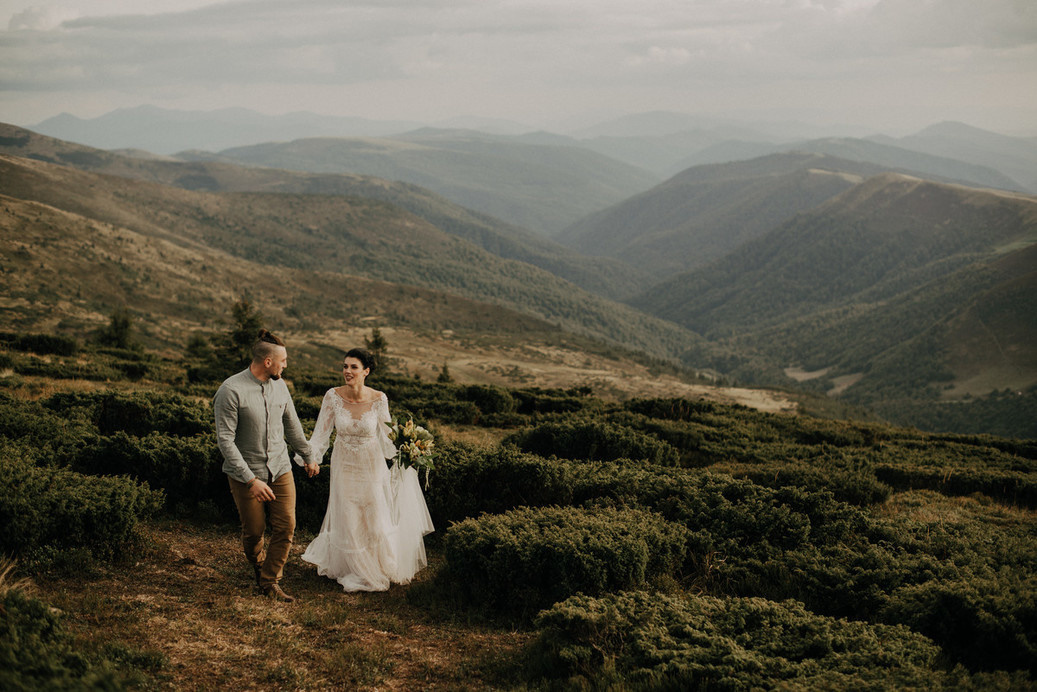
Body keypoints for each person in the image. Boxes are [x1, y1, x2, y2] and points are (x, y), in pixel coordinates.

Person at [300, 348, 434, 592]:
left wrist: (406, 453)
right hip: (344, 466)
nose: (347, 372)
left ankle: (378, 564)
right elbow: (321, 433)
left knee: (373, 515)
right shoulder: (332, 397)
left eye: (353, 367)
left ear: (366, 371)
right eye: (345, 366)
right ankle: (356, 568)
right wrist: (312, 458)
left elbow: (386, 436)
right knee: (349, 515)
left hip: (371, 466)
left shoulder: (379, 399)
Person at [213, 329, 321, 602]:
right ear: (268, 362)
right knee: (253, 532)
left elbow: (292, 425)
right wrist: (251, 480)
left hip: (280, 467)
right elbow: (225, 442)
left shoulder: (281, 386)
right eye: (283, 361)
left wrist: (307, 455)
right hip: (245, 475)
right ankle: (257, 560)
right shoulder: (231, 390)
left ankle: (270, 581)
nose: (286, 365)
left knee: (286, 527)